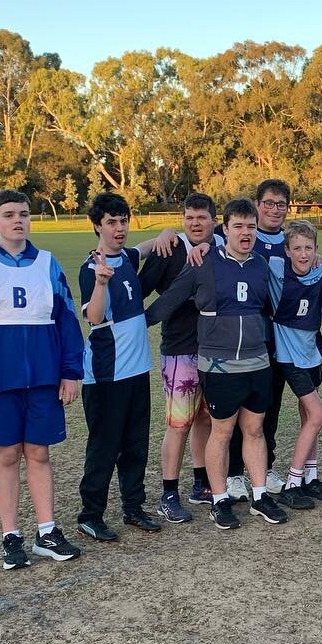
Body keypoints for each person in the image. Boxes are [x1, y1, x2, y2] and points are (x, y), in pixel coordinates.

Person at [0, 189, 84, 570]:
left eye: (24, 214)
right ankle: (11, 536)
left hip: (44, 378)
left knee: (40, 453)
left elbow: (66, 320)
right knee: (8, 454)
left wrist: (70, 372)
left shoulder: (48, 263)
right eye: (9, 214)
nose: (17, 221)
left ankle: (47, 531)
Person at [146, 198, 290, 529]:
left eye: (251, 227)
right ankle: (220, 499)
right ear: (225, 230)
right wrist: (133, 323)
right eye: (238, 226)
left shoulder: (260, 265)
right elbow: (169, 300)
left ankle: (259, 495)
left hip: (257, 363)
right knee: (221, 431)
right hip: (220, 366)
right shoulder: (205, 262)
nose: (245, 233)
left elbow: (277, 304)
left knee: (254, 430)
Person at [76, 192, 164, 542]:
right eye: (111, 222)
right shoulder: (90, 268)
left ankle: (133, 506)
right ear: (97, 225)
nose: (119, 228)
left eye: (123, 220)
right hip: (106, 375)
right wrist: (100, 281)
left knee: (135, 444)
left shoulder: (126, 256)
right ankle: (90, 514)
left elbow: (146, 247)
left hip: (137, 371)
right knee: (104, 446)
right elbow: (94, 317)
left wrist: (167, 235)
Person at [139, 193, 219, 521]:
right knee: (178, 423)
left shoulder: (223, 249)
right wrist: (158, 237)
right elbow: (140, 287)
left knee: (204, 419)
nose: (195, 223)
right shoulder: (168, 248)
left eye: (201, 218)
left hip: (214, 349)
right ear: (182, 219)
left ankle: (201, 483)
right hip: (179, 349)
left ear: (214, 221)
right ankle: (168, 493)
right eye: (189, 218)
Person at [266, 219, 322, 510]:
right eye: (296, 248)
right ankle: (292, 483)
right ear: (286, 250)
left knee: (306, 416)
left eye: (308, 247)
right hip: (288, 357)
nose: (303, 253)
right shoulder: (275, 268)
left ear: (315, 250)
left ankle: (310, 477)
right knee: (318, 415)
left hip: (313, 354)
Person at [225, 179, 294, 498]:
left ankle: (265, 468)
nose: (274, 209)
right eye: (268, 203)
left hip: (276, 341)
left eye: (281, 204)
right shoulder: (239, 238)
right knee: (239, 408)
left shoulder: (293, 241)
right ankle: (234, 474)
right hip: (240, 340)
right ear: (257, 204)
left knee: (268, 408)